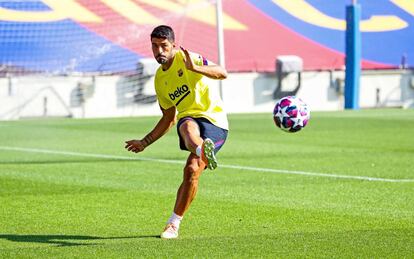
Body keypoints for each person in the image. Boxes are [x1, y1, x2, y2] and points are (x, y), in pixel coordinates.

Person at [124, 25, 229, 239]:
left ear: (173, 45)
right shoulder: (159, 80)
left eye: (163, 46)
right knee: (187, 126)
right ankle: (201, 149)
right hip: (189, 119)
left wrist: (196, 68)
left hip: (216, 121)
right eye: (154, 46)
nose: (159, 51)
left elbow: (222, 73)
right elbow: (168, 118)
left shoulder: (188, 58)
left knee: (192, 170)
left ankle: (174, 222)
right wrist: (145, 142)